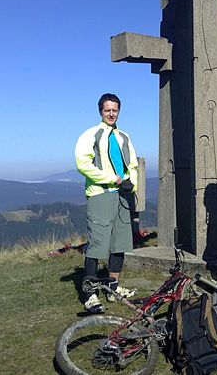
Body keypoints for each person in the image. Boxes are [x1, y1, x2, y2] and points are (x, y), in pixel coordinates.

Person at [75, 93, 139, 314]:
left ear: (119, 111)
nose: (111, 113)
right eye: (107, 110)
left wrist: (132, 184)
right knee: (96, 245)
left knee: (119, 244)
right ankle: (90, 295)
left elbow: (132, 164)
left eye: (114, 110)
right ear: (100, 111)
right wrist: (111, 179)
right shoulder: (91, 134)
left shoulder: (124, 136)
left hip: (123, 195)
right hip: (100, 194)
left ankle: (113, 289)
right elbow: (82, 163)